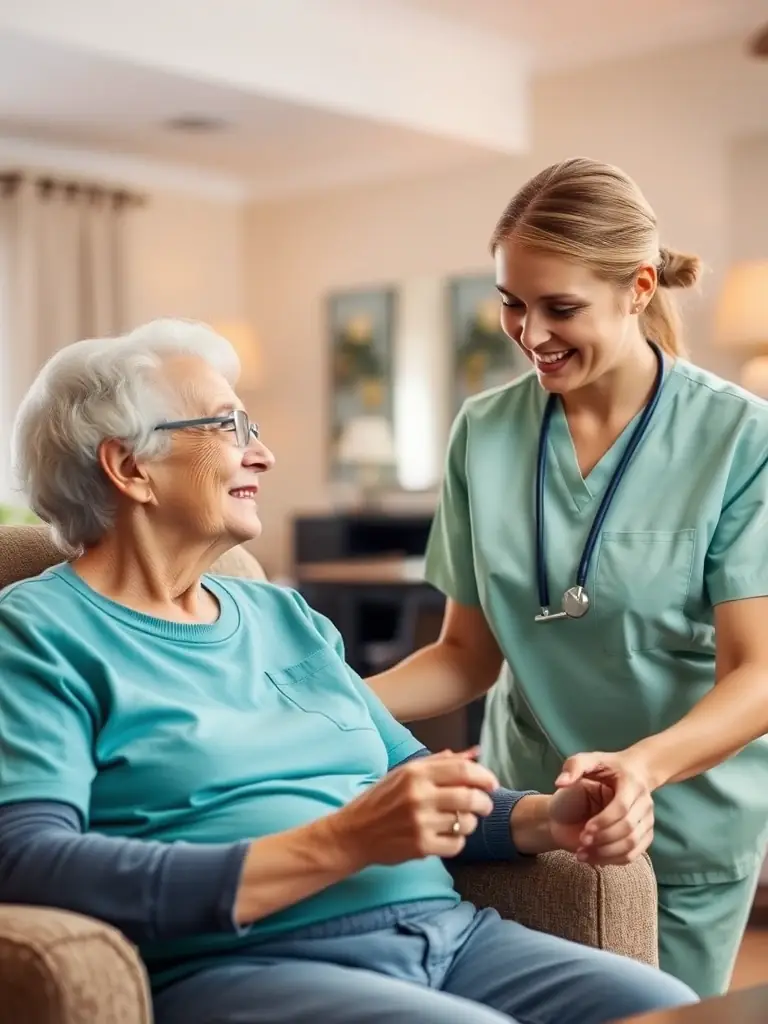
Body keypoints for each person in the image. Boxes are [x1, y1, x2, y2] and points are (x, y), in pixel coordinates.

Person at [0, 318, 695, 1024]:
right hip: (248, 963)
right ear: (129, 467)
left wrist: (553, 817)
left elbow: (407, 786)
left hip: (449, 938)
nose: (262, 454)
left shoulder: (283, 617)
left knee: (667, 1008)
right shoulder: (39, 633)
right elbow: (29, 861)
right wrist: (343, 840)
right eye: (227, 427)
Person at [366, 157, 768, 999]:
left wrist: (643, 769)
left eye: (561, 307)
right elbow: (466, 654)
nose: (530, 332)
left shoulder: (740, 437)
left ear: (639, 287)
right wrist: (334, 700)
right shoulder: (484, 431)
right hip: (526, 815)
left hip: (682, 822)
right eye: (513, 302)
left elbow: (757, 672)